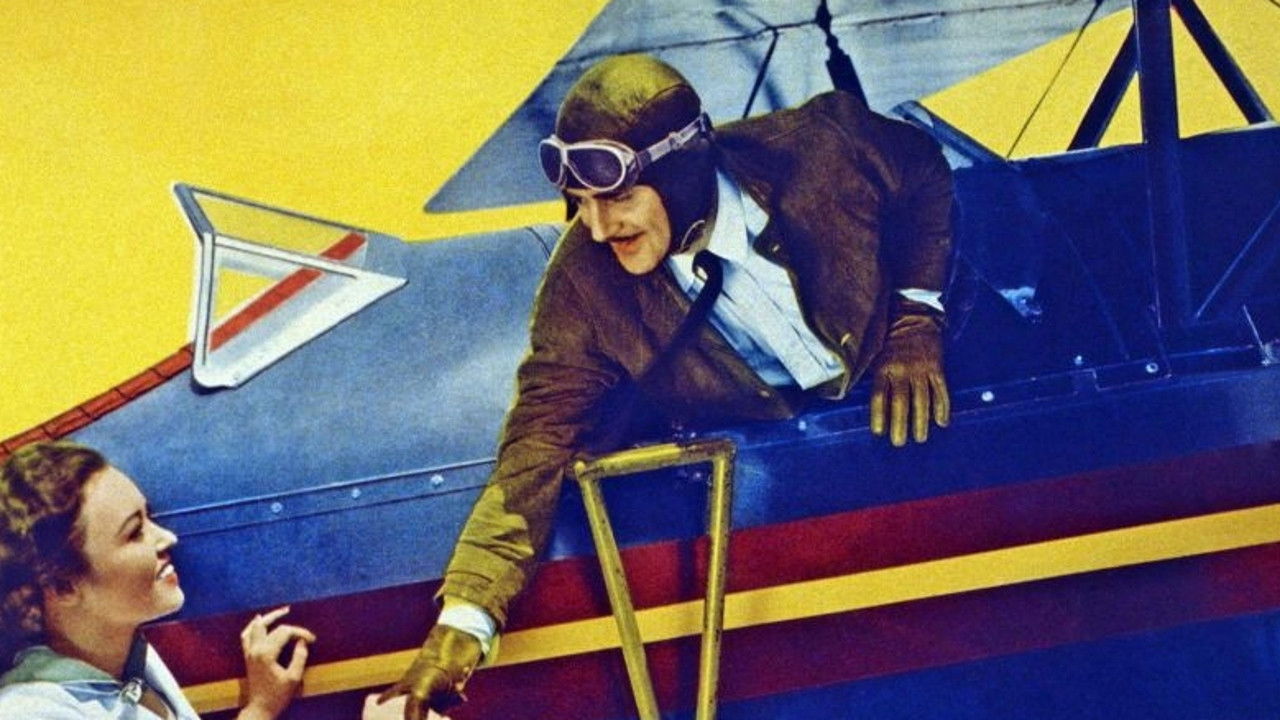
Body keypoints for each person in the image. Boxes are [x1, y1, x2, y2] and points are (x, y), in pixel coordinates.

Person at [382, 53, 954, 718]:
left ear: (682, 172)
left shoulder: (823, 146)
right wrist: (460, 631)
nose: (598, 228)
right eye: (582, 204)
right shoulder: (583, 284)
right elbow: (535, 445)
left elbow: (924, 168)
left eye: (618, 198)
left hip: (934, 390)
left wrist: (917, 319)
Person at [0, 441, 315, 719]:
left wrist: (260, 709)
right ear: (64, 585)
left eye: (149, 516)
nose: (168, 538)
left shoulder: (126, 654)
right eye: (135, 532)